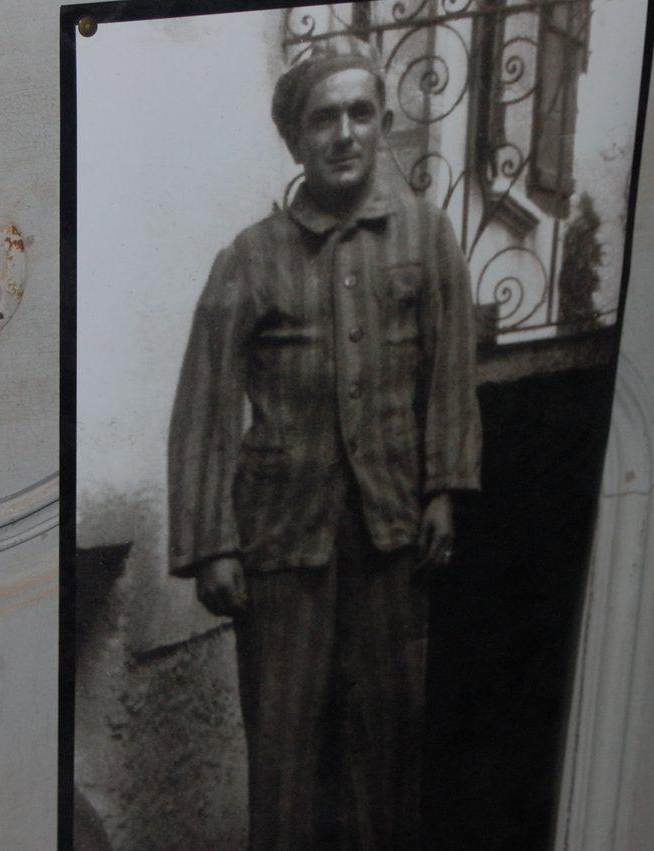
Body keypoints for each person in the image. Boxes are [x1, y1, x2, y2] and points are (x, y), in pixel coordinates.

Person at [167, 34, 482, 851]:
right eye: (323, 119)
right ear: (295, 140)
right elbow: (204, 401)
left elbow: (451, 369)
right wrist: (212, 544)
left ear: (382, 125)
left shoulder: (427, 237)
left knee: (388, 743)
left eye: (360, 114)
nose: (345, 134)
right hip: (282, 540)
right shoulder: (249, 258)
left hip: (391, 531)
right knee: (285, 750)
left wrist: (443, 486)